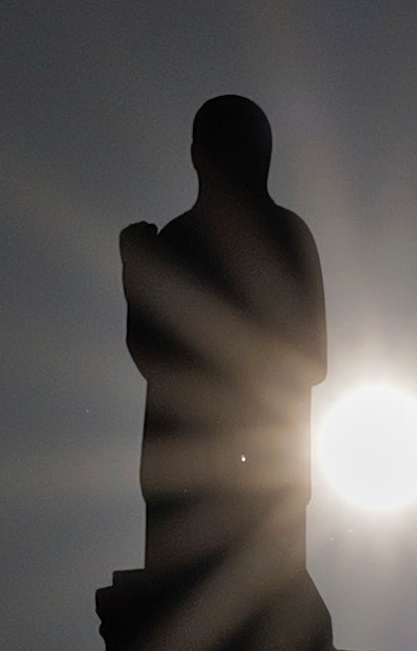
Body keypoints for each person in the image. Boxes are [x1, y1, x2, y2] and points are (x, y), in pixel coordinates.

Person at [120, 95, 327, 575]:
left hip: (264, 466)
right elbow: (150, 356)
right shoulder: (174, 243)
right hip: (186, 471)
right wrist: (140, 280)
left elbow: (313, 359)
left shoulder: (288, 235)